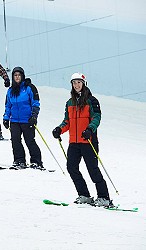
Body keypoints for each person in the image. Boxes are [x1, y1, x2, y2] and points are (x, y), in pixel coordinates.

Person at [52, 72, 111, 207]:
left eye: (79, 82)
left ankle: (104, 197)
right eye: (74, 82)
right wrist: (59, 129)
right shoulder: (69, 103)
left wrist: (89, 129)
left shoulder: (92, 101)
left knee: (93, 170)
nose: (76, 85)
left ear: (84, 83)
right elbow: (67, 121)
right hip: (74, 142)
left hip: (88, 141)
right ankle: (84, 195)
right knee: (71, 167)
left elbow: (96, 118)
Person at [3, 67, 43, 169]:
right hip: (15, 121)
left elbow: (35, 103)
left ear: (22, 76)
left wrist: (34, 116)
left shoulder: (29, 88)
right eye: (15, 75)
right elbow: (8, 105)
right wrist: (6, 118)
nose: (17, 77)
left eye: (19, 75)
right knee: (15, 141)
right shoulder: (10, 90)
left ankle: (36, 161)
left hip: (27, 120)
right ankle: (19, 160)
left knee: (29, 141)